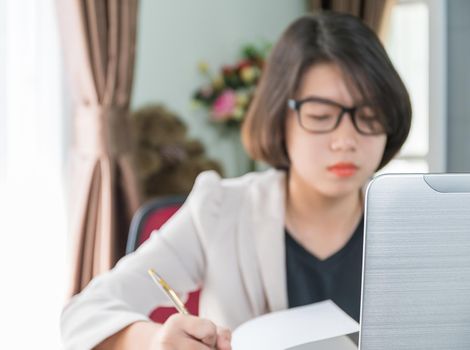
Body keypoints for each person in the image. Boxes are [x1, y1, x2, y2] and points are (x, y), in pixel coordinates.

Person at [61, 11, 411, 350]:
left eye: (369, 116)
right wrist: (155, 341)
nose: (346, 140)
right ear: (279, 119)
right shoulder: (219, 210)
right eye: (321, 116)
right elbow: (84, 313)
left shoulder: (411, 226)